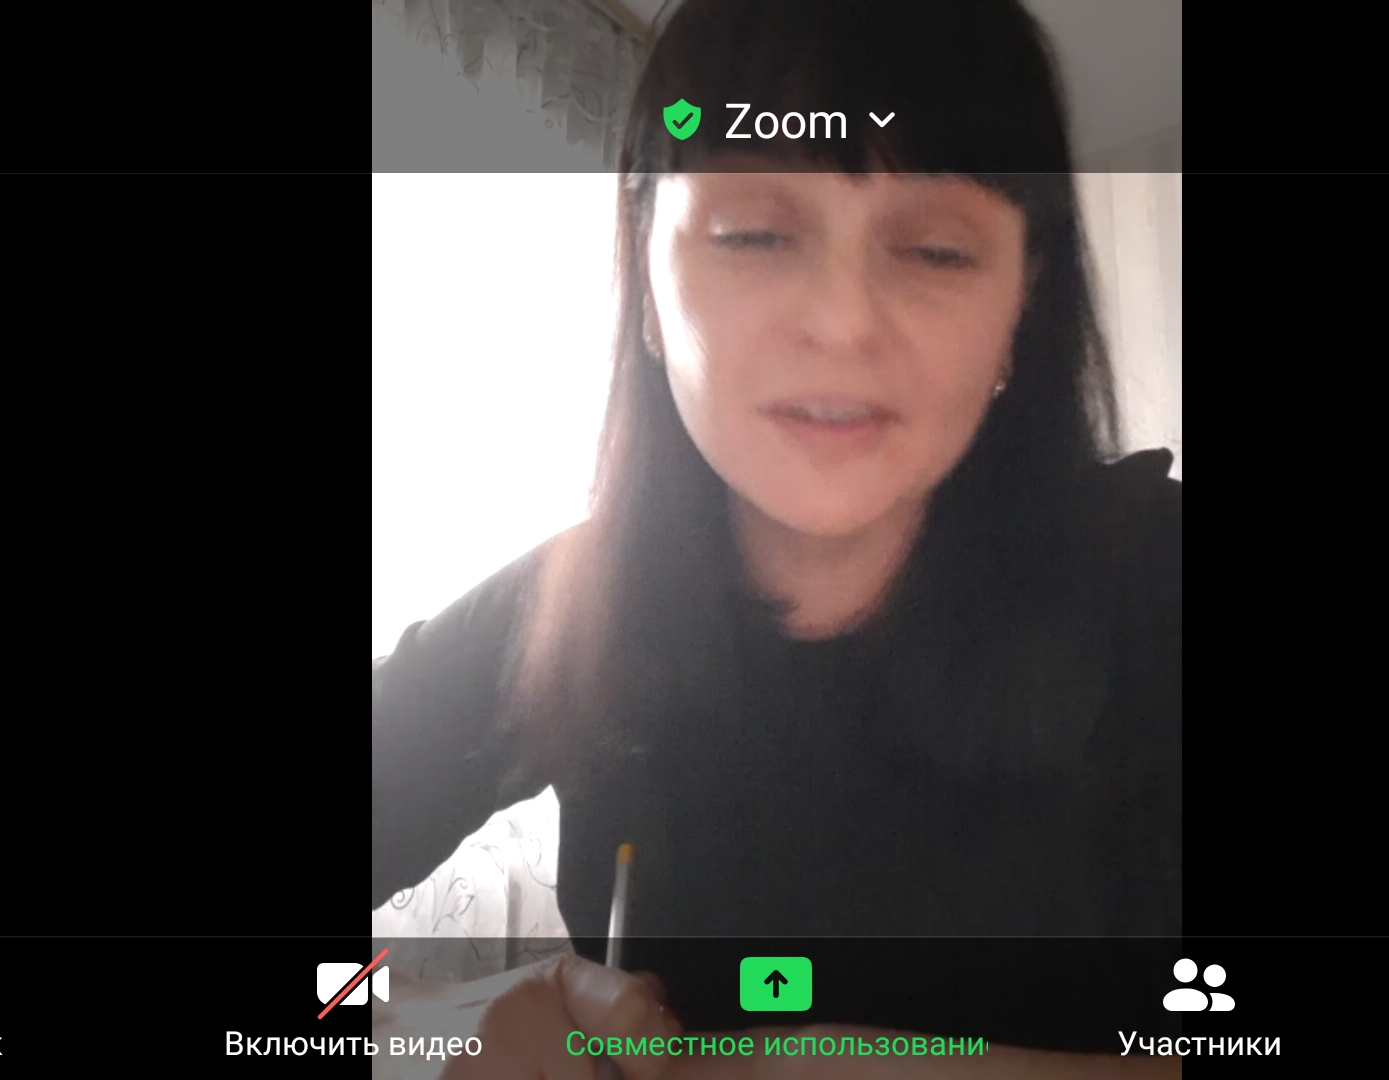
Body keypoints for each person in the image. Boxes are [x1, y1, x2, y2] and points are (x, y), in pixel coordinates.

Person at [373, 0, 1179, 1074]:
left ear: (1020, 311)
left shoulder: (1154, 582)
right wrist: (427, 1025)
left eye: (935, 250)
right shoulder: (564, 609)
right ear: (646, 280)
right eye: (756, 234)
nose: (842, 322)